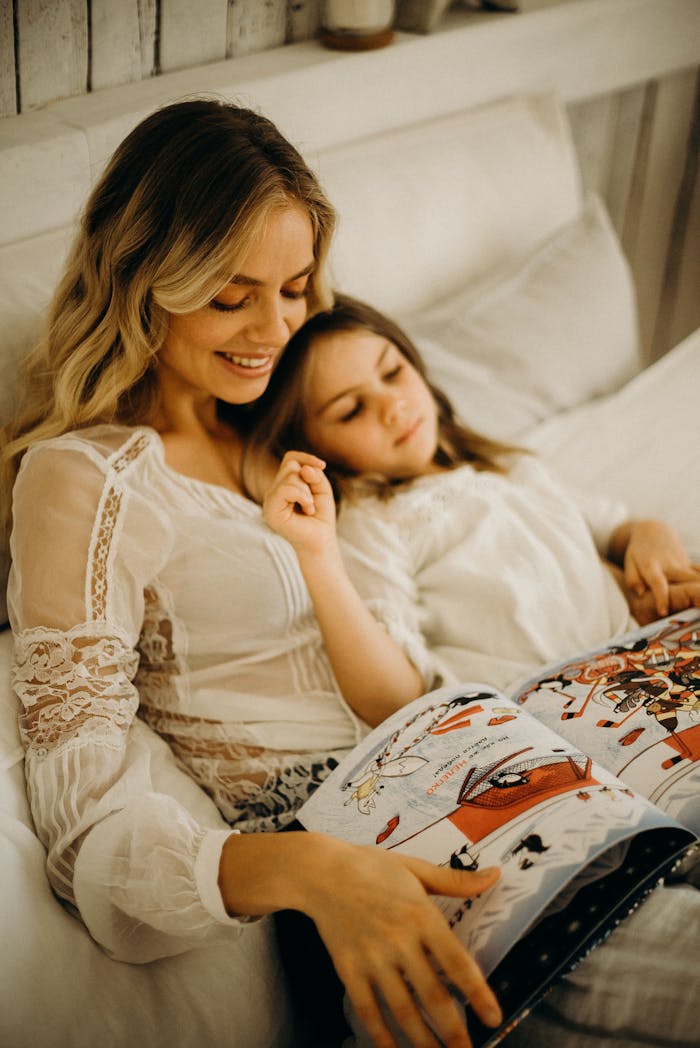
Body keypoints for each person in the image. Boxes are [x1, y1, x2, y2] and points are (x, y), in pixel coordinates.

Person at [1, 101, 504, 1048]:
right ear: (143, 280)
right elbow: (85, 838)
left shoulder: (289, 428)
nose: (274, 330)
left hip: (467, 773)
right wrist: (313, 870)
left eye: (296, 287)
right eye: (231, 297)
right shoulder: (85, 479)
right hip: (352, 857)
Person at [252, 294, 700, 697]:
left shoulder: (508, 468)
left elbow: (615, 527)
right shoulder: (374, 521)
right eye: (352, 410)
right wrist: (318, 554)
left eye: (392, 372)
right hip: (562, 697)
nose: (394, 407)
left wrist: (652, 538)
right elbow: (391, 694)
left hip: (647, 647)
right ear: (312, 446)